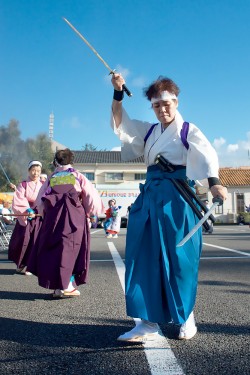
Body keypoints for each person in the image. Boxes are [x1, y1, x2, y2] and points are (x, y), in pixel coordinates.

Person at [110, 73, 227, 341]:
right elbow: (120, 122)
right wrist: (117, 92)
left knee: (180, 260)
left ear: (176, 101)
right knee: (143, 258)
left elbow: (207, 155)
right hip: (150, 197)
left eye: (167, 104)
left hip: (178, 198)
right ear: (151, 106)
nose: (162, 110)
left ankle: (186, 316)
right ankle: (147, 322)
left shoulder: (188, 130)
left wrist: (215, 183)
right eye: (156, 106)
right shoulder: (149, 131)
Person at [28, 149, 104, 298]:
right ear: (72, 161)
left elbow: (40, 200)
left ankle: (57, 287)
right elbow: (91, 198)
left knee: (55, 250)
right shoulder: (78, 176)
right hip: (74, 217)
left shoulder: (51, 178)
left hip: (53, 218)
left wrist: (43, 214)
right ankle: (67, 286)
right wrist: (90, 213)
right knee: (71, 250)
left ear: (55, 162)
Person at [8, 160, 43, 275]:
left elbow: (46, 199)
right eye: (33, 170)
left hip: (38, 217)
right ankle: (20, 263)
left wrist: (39, 210)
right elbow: (19, 199)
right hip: (25, 216)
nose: (35, 173)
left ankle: (30, 266)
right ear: (28, 171)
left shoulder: (43, 184)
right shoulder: (23, 184)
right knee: (23, 241)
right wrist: (27, 210)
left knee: (36, 241)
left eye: (38, 171)